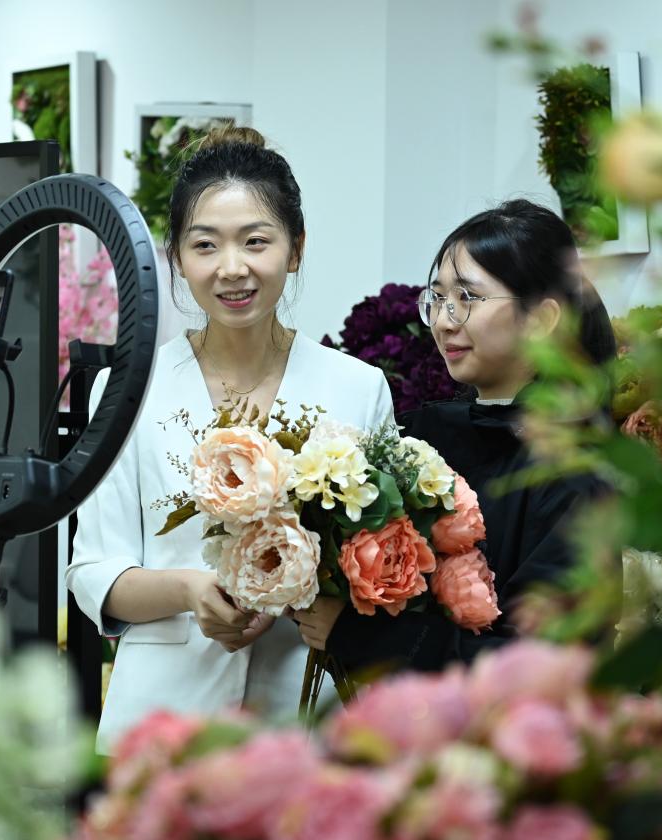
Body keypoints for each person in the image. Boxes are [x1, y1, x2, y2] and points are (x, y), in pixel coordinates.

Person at [66, 126, 395, 753]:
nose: (232, 268)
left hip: (303, 715)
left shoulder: (357, 388)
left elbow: (382, 559)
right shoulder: (129, 387)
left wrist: (322, 600)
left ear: (295, 249)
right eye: (205, 245)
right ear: (176, 258)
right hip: (162, 726)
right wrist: (190, 591)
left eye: (256, 241)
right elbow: (94, 571)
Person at [293, 198, 617, 673]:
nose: (445, 321)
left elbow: (544, 665)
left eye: (467, 298)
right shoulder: (423, 438)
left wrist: (361, 636)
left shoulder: (574, 475)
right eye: (439, 298)